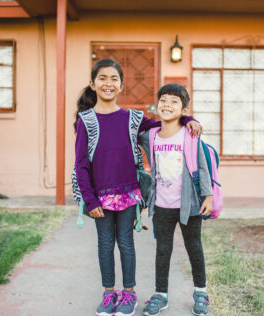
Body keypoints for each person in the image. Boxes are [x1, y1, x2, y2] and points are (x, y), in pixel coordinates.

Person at [74, 59, 201, 316]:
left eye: (114, 79)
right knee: (104, 244)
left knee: (126, 243)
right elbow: (80, 164)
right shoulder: (85, 120)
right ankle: (109, 293)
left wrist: (188, 118)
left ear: (122, 85)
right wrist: (90, 200)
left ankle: (129, 294)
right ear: (92, 83)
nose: (108, 83)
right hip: (99, 197)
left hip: (128, 194)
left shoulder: (133, 118)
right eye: (102, 78)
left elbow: (165, 124)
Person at [139, 83, 213, 316]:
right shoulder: (150, 136)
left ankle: (201, 293)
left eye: (174, 101)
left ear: (184, 110)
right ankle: (161, 294)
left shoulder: (189, 135)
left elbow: (202, 166)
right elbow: (127, 138)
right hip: (161, 205)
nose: (167, 104)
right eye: (163, 100)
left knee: (194, 248)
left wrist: (208, 195)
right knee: (163, 249)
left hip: (189, 205)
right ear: (156, 105)